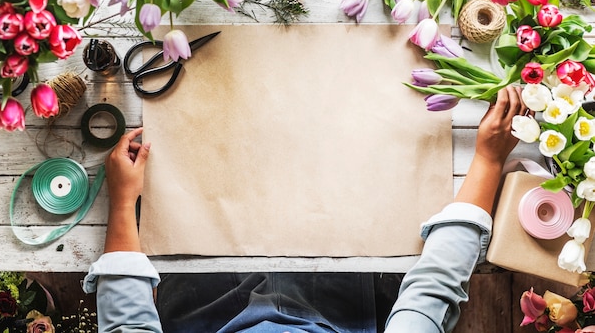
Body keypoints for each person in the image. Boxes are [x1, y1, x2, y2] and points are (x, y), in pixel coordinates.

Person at [82, 85, 527, 333]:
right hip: (344, 304)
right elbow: (433, 290)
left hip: (209, 307)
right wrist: (487, 160)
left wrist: (123, 202)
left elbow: (126, 325)